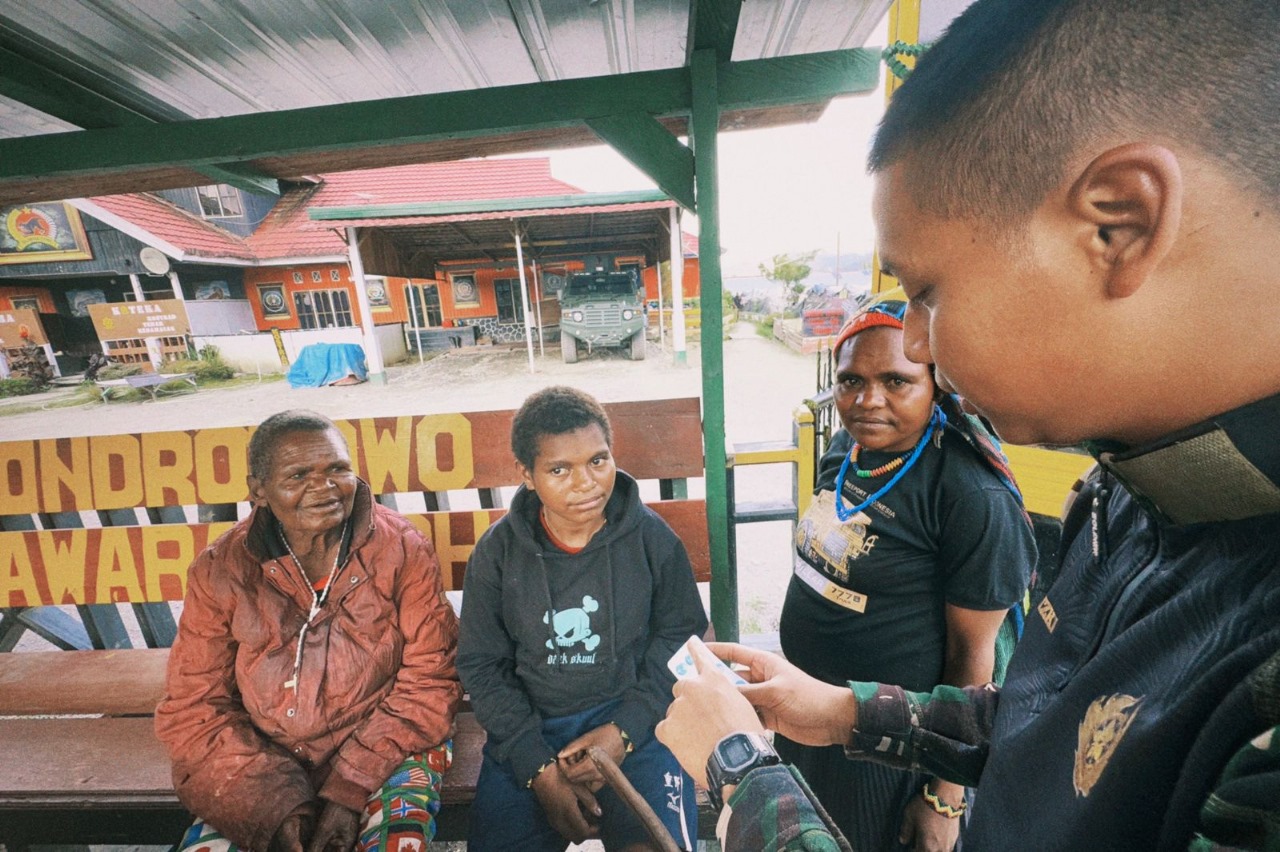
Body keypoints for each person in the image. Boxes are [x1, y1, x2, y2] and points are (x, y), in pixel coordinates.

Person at [656, 0, 1280, 848]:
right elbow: (1053, 722)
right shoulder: (1138, 491)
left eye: (928, 291)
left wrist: (739, 771)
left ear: (1117, 223)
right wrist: (845, 712)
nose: (917, 343)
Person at [776, 298, 1034, 850]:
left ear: (937, 383)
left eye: (896, 380)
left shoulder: (970, 496)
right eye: (851, 381)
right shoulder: (848, 450)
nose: (868, 400)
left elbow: (973, 659)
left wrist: (945, 796)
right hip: (809, 721)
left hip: (888, 755)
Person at [155, 410, 461, 852]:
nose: (323, 487)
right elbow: (195, 706)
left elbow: (430, 680)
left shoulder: (402, 548)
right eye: (298, 475)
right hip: (262, 755)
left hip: (388, 744)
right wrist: (277, 807)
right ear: (258, 489)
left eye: (337, 469)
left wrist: (347, 789)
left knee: (397, 841)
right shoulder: (221, 568)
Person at [458, 386, 708, 851]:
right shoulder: (497, 554)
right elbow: (482, 665)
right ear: (527, 476)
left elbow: (680, 637)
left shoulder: (652, 541)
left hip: (636, 720)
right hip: (530, 727)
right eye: (559, 469)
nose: (586, 482)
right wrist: (539, 770)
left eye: (598, 460)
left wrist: (625, 731)